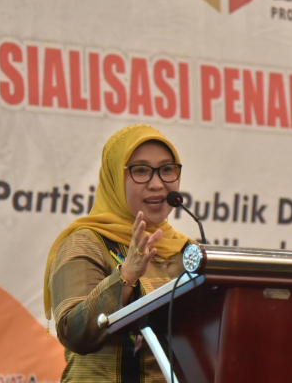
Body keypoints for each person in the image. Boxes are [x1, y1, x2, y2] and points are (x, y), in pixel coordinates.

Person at [43, 124, 192, 382]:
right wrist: (126, 276)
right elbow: (74, 332)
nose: (157, 184)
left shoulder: (186, 250)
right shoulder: (85, 243)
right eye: (141, 171)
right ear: (115, 178)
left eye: (167, 170)